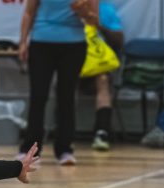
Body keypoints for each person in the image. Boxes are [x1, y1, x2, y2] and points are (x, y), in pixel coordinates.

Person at [17, 0, 98, 165]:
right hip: (41, 43)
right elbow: (28, 13)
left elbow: (94, 21)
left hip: (74, 46)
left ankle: (65, 149)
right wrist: (23, 42)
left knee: (66, 97)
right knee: (38, 96)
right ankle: (29, 150)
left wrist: (84, 12)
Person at [75, 0, 124, 151]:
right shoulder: (68, 11)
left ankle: (102, 132)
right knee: (63, 82)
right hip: (73, 62)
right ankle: (64, 131)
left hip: (96, 64)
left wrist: (99, 26)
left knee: (102, 80)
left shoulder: (106, 10)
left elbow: (119, 40)